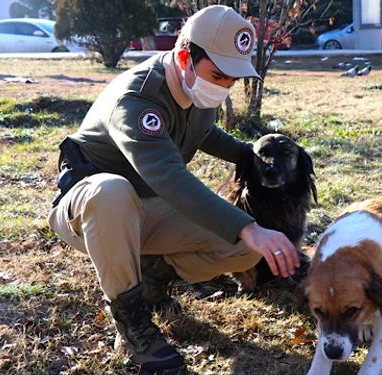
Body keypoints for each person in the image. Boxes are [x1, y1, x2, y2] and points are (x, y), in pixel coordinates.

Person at [47, 6, 299, 373]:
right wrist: (248, 226)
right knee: (111, 190)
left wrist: (248, 154)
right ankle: (130, 321)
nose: (225, 86)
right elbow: (169, 176)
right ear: (185, 56)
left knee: (244, 251)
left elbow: (202, 132)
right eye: (219, 75)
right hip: (92, 214)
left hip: (147, 209)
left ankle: (151, 277)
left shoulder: (193, 88)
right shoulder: (136, 100)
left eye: (233, 79)